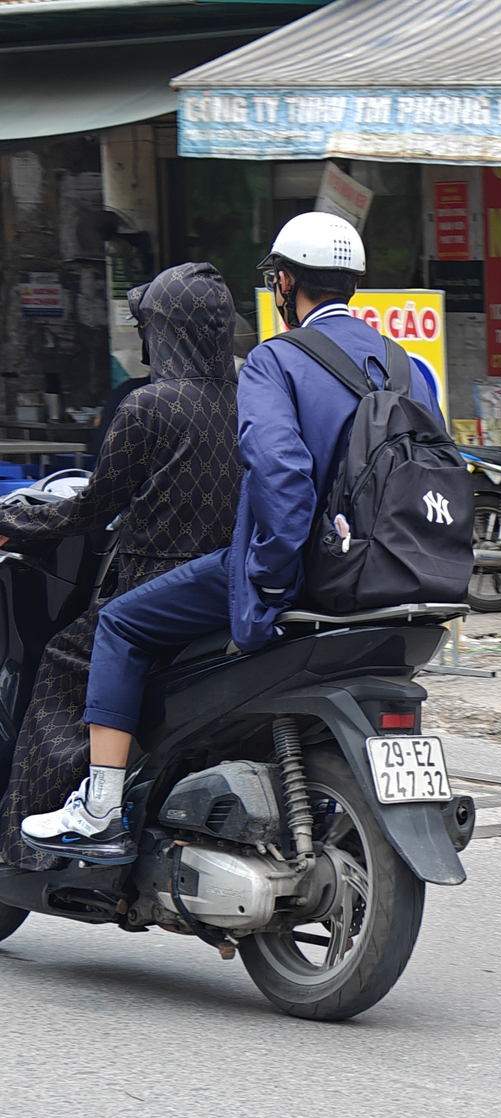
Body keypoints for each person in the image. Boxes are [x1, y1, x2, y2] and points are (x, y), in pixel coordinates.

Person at [22, 212, 437, 862]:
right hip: (386, 578)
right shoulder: (400, 364)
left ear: (287, 282)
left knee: (121, 625)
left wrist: (265, 577)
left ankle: (100, 807)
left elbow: (281, 474)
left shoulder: (276, 361)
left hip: (303, 572)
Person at [0, 263, 242, 870]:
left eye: (148, 327)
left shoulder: (148, 406)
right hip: (230, 584)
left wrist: (17, 523)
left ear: (166, 332)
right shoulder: (249, 401)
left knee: (59, 662)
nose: (142, 340)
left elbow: (92, 508)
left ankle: (39, 845)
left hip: (150, 586)